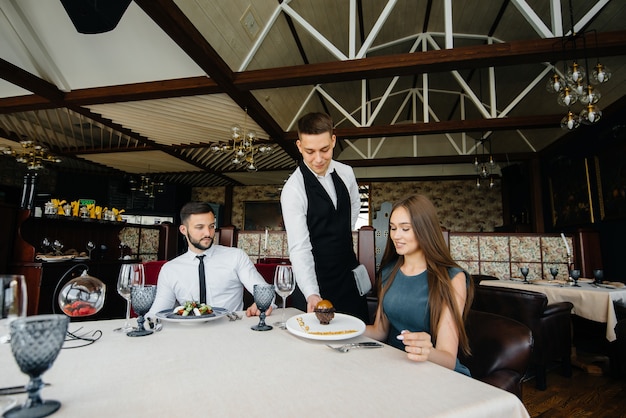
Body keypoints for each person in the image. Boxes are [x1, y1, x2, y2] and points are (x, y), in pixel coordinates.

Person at [364, 194, 473, 375]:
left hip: (436, 372)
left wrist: (426, 351)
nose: (396, 236)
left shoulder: (452, 278)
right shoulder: (388, 272)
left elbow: (448, 358)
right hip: (394, 367)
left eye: (405, 229)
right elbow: (379, 331)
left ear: (425, 230)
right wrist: (343, 326)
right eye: (392, 228)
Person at [280, 112, 369, 323]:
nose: (318, 159)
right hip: (316, 281)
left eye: (325, 149)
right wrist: (311, 292)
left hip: (348, 276)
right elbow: (300, 248)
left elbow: (354, 208)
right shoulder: (293, 190)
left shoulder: (346, 173)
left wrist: (338, 235)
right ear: (299, 146)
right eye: (310, 151)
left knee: (357, 334)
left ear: (333, 140)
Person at [147, 201, 272, 318]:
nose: (208, 233)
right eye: (200, 227)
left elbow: (265, 292)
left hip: (230, 330)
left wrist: (263, 303)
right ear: (183, 230)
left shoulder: (236, 257)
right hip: (188, 333)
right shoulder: (170, 269)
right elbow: (158, 312)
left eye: (211, 226)